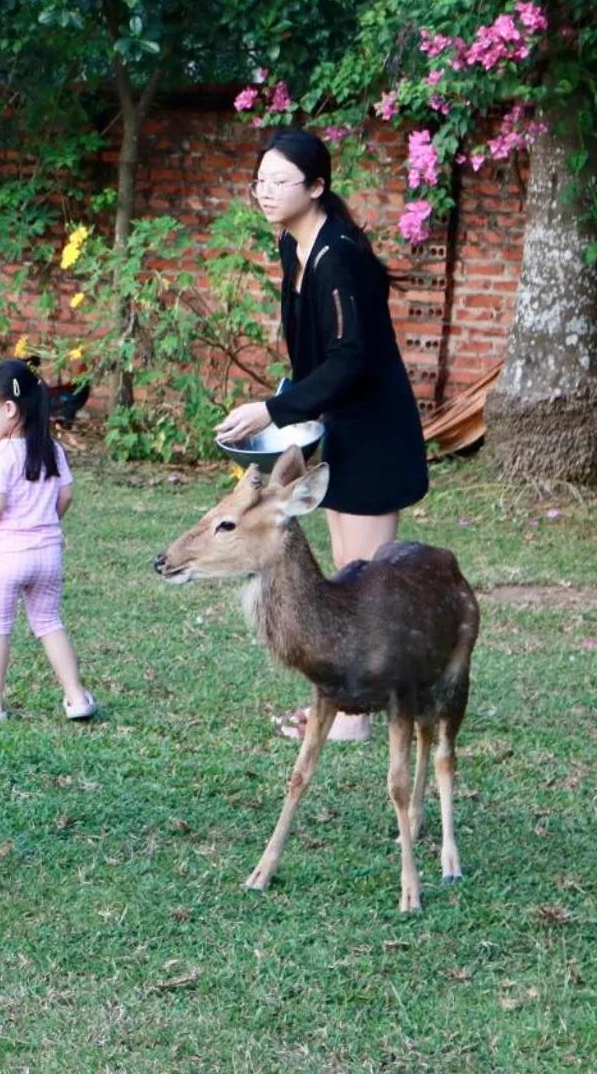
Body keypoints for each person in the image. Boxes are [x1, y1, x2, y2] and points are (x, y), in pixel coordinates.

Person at [217, 127, 429, 741]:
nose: (265, 192)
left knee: (365, 578)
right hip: (337, 423)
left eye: (279, 182)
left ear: (316, 186)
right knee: (346, 572)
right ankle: (343, 707)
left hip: (373, 429)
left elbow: (349, 360)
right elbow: (314, 357)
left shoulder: (339, 257)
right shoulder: (295, 247)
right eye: (259, 180)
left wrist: (273, 409)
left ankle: (354, 719)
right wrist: (294, 410)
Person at [0, 357, 97, 723]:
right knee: (48, 622)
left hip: (8, 558)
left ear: (11, 409)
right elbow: (65, 496)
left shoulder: (1, 452)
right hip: (48, 555)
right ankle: (77, 697)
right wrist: (45, 521)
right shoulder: (52, 448)